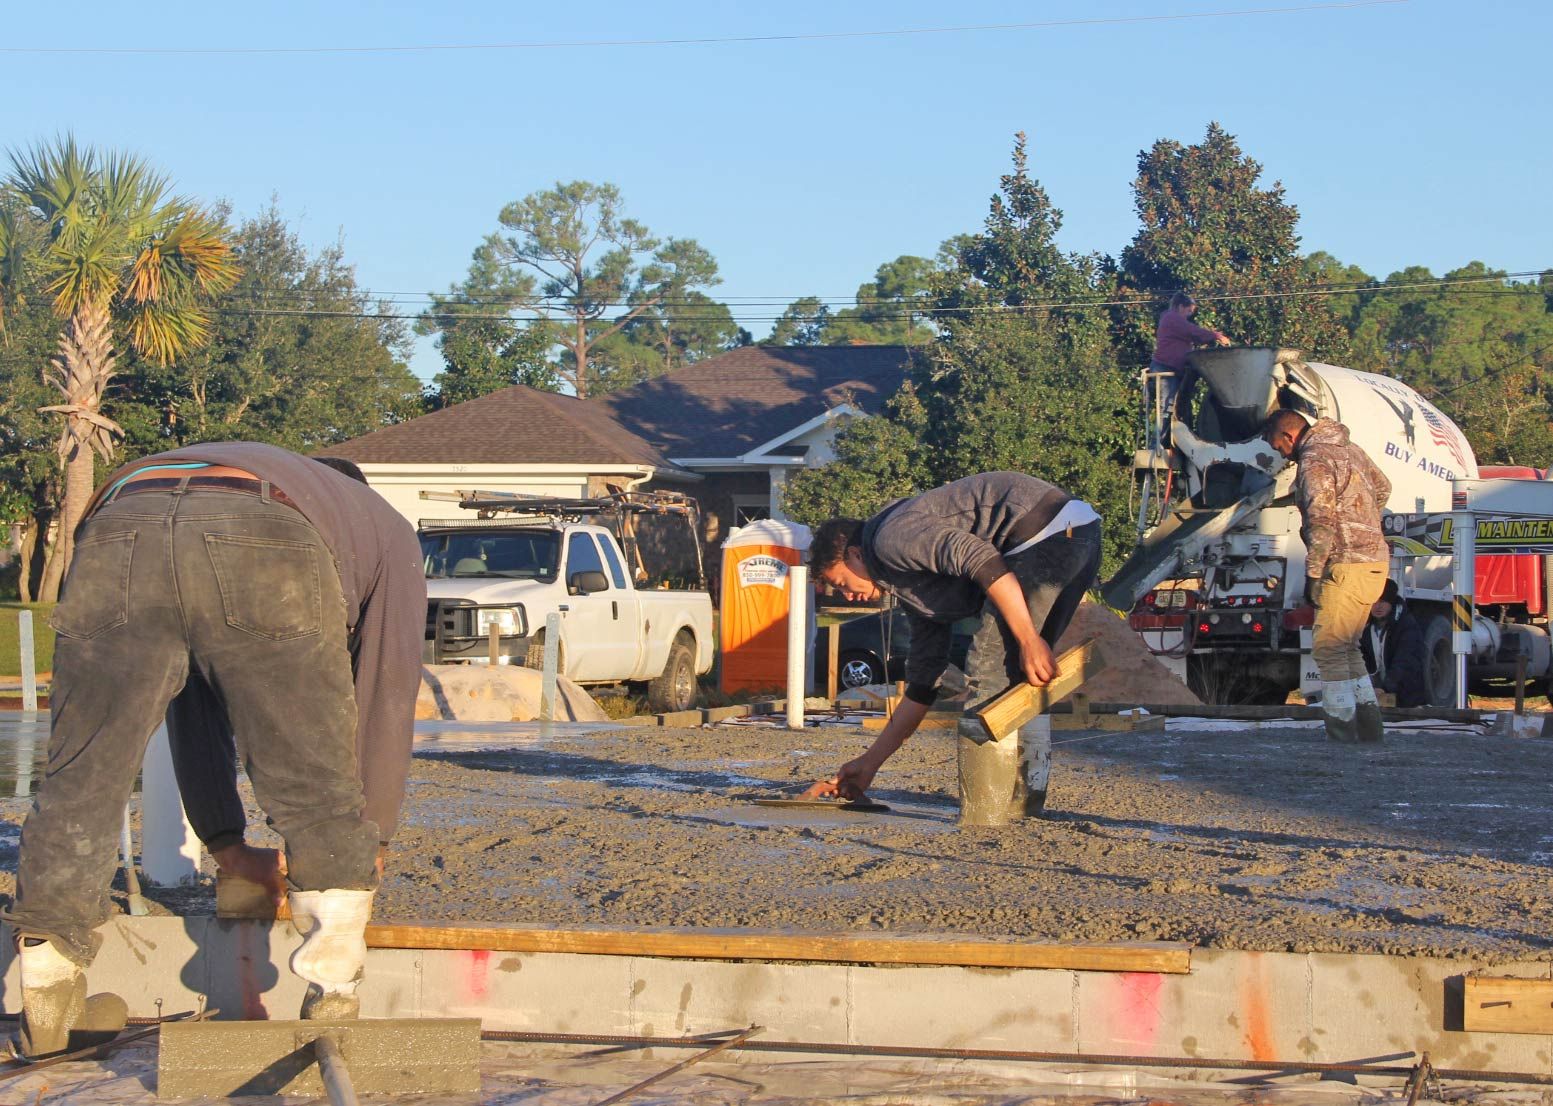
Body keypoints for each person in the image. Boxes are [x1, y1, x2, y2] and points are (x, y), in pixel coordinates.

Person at [5, 443, 425, 1056]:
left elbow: (190, 695)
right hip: (262, 534)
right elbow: (387, 691)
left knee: (82, 777)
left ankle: (48, 985)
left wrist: (227, 846)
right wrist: (370, 840)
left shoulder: (276, 474)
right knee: (314, 784)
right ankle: (333, 991)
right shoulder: (384, 528)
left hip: (121, 518)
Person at [806, 472, 1102, 803]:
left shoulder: (890, 539)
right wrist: (869, 763)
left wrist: (1029, 639)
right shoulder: (912, 589)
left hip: (1045, 534)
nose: (846, 596)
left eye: (843, 583)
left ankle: (987, 812)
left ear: (855, 555)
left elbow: (980, 560)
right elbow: (922, 685)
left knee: (988, 670)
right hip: (1079, 531)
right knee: (1023, 679)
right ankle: (1024, 804)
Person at [1263, 409, 1392, 743]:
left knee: (1329, 649)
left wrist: (1314, 572)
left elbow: (1321, 520)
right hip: (1374, 563)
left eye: (1279, 447)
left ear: (1290, 436)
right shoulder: (1350, 449)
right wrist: (1364, 524)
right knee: (1348, 648)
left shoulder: (1314, 460)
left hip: (1345, 565)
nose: (1282, 455)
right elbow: (1383, 487)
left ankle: (1342, 732)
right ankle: (1369, 730)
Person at [1148, 292, 1232, 446]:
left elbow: (1193, 335)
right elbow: (1193, 331)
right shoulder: (1172, 318)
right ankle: (1156, 446)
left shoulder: (1172, 320)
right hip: (1166, 369)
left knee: (1176, 408)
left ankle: (1170, 443)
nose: (1188, 316)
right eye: (1188, 311)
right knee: (1166, 407)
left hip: (1173, 370)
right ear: (1180, 306)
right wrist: (1216, 336)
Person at [1360, 578, 1428, 709]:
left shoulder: (1406, 626)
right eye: (1374, 602)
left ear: (1392, 603)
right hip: (1376, 692)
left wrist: (1385, 688)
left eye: (1383, 601)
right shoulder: (1366, 627)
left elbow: (1404, 661)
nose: (1378, 606)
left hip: (1405, 695)